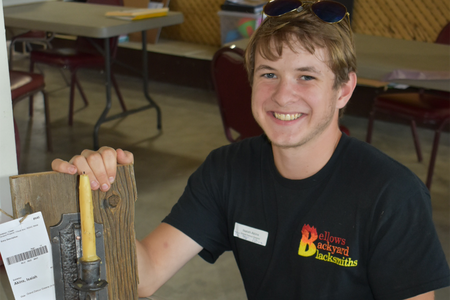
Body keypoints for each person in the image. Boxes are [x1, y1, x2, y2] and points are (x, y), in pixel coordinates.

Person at [51, 1, 450, 299]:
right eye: (269, 74)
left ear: (343, 89)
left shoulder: (391, 194)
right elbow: (145, 274)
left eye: (306, 76)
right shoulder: (229, 170)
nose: (283, 95)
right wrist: (96, 198)